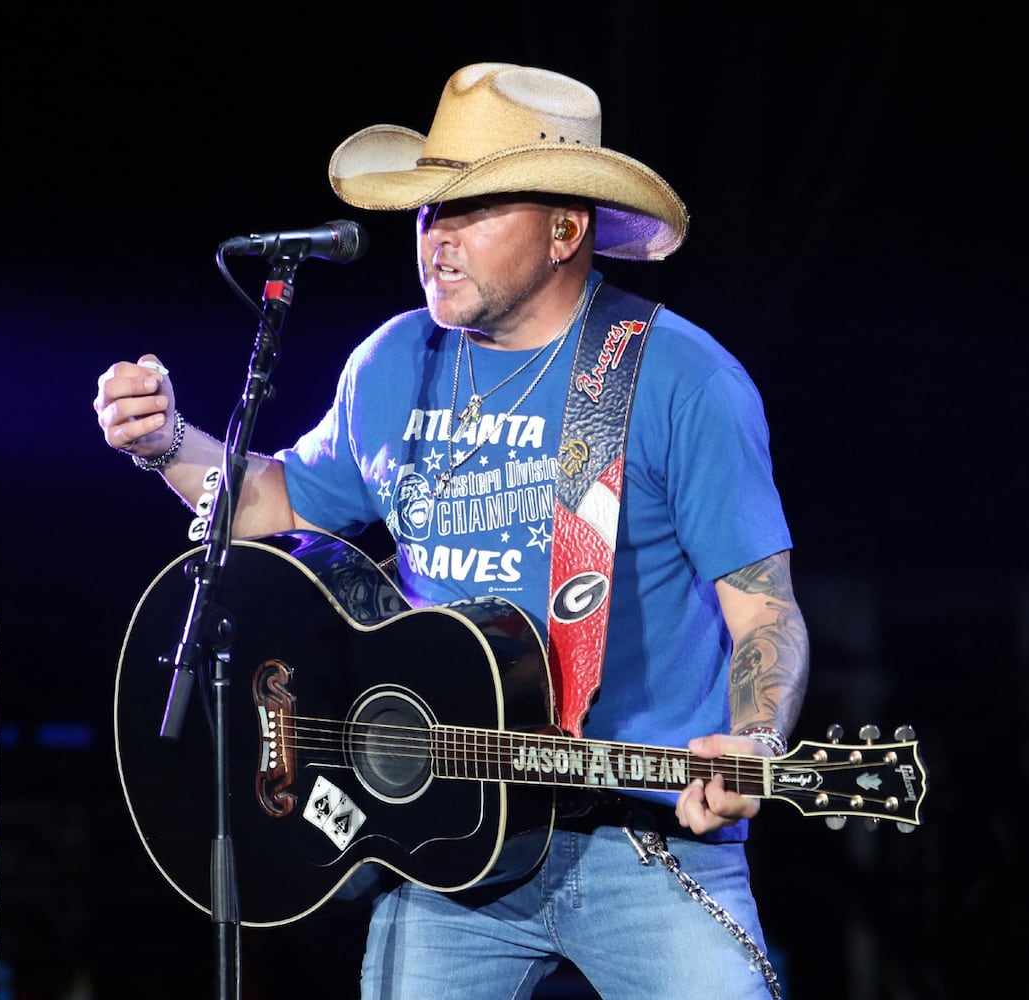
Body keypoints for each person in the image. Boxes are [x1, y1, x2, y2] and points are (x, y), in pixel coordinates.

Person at [93, 62, 809, 1000]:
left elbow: (766, 614)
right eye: (432, 211)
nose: (438, 238)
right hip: (448, 843)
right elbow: (275, 508)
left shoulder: (680, 378)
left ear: (566, 229)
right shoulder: (395, 360)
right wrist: (165, 443)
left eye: (474, 210)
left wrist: (754, 741)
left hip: (644, 835)